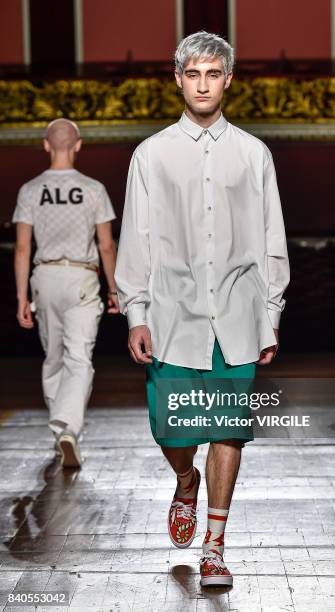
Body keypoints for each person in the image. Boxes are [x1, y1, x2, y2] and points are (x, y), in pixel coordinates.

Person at [114, 31, 290, 587]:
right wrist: (136, 311)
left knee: (228, 429)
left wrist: (272, 312)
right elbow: (136, 238)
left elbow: (271, 239)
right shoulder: (152, 154)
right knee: (174, 430)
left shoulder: (254, 154)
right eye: (193, 74)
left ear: (228, 79)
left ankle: (215, 546)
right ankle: (184, 480)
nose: (203, 84)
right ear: (178, 79)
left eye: (213, 74)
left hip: (238, 313)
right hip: (172, 315)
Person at [13, 118, 119, 469]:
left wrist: (19, 298)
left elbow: (22, 248)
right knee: (79, 359)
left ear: (46, 145)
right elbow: (105, 245)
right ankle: (68, 427)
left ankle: (63, 430)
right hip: (82, 279)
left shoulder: (30, 190)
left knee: (54, 359)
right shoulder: (93, 189)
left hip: (44, 278)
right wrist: (115, 289)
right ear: (78, 145)